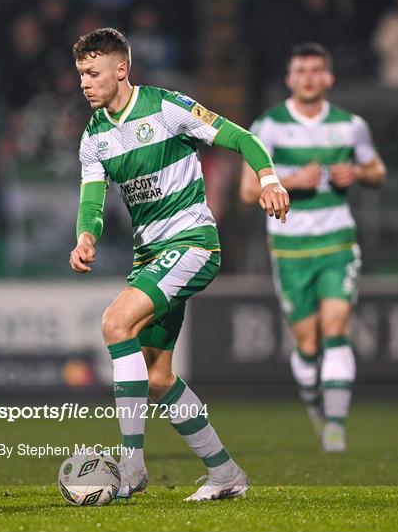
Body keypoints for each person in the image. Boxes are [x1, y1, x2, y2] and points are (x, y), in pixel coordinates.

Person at [69, 28, 289, 501]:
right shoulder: (94, 136)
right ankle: (226, 475)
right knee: (157, 376)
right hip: (150, 255)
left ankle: (131, 467)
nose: (85, 83)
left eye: (92, 73)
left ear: (121, 69)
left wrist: (269, 178)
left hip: (192, 244)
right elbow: (92, 202)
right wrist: (85, 237)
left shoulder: (166, 107)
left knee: (115, 322)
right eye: (81, 74)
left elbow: (242, 137)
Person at [240, 43, 386, 452]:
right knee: (306, 344)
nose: (308, 78)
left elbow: (377, 171)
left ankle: (336, 427)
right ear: (289, 79)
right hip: (289, 248)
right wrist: (289, 182)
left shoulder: (349, 125)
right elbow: (248, 189)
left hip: (337, 240)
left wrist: (355, 172)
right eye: (300, 71)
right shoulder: (268, 126)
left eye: (315, 71)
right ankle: (317, 409)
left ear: (328, 78)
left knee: (336, 329)